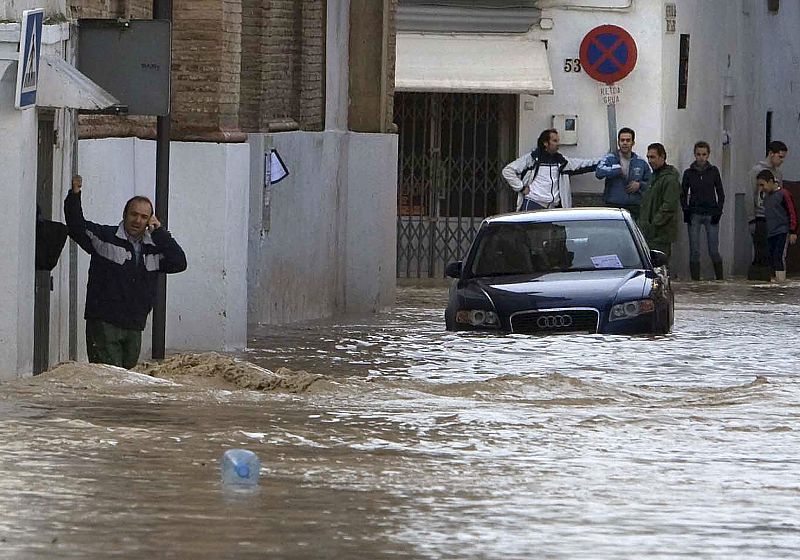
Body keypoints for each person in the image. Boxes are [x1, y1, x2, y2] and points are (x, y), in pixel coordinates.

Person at [64, 175, 187, 369]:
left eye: (144, 217)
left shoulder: (153, 249)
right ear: (125, 215)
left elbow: (179, 262)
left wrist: (160, 233)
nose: (137, 220)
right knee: (110, 379)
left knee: (127, 382)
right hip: (104, 324)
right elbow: (76, 226)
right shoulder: (105, 238)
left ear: (149, 221)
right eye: (134, 214)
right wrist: (75, 195)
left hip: (134, 326)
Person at [502, 128, 599, 212]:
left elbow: (582, 164)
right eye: (555, 141)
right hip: (533, 204)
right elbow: (507, 171)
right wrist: (521, 188)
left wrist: (602, 161)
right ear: (545, 143)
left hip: (553, 207)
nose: (558, 144)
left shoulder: (561, 161)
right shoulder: (531, 159)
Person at [680, 141, 725, 280]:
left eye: (704, 154)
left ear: (708, 155)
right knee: (694, 250)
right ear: (694, 155)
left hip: (711, 214)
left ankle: (720, 279)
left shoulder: (714, 171)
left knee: (713, 250)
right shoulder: (688, 173)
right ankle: (695, 282)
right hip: (694, 214)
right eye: (698, 154)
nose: (701, 157)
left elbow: (721, 193)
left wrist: (718, 211)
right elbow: (683, 193)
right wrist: (686, 211)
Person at [748, 140, 788, 280]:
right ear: (771, 154)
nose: (782, 160)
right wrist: (751, 218)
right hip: (760, 217)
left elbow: (781, 197)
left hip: (775, 219)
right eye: (780, 157)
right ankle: (760, 282)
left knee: (776, 253)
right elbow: (750, 194)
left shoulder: (779, 174)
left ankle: (775, 282)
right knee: (761, 252)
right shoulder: (756, 170)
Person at [638, 143, 682, 264]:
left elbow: (669, 206)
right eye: (648, 157)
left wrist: (653, 225)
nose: (650, 161)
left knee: (659, 267)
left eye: (653, 157)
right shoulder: (653, 177)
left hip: (660, 234)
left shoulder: (669, 179)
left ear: (662, 157)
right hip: (649, 232)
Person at [596, 127, 652, 221]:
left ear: (633, 143)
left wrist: (639, 185)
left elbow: (651, 182)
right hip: (613, 206)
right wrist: (616, 170)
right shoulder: (610, 158)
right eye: (622, 140)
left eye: (628, 140)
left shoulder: (640, 162)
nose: (625, 143)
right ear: (618, 142)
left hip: (634, 207)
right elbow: (599, 172)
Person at [756, 170, 797, 282]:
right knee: (770, 256)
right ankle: (773, 279)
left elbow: (792, 212)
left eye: (762, 184)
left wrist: (793, 231)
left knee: (779, 256)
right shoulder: (766, 197)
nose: (761, 188)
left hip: (782, 231)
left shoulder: (784, 194)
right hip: (771, 232)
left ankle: (781, 280)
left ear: (770, 181)